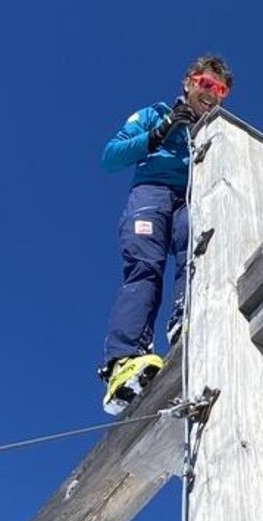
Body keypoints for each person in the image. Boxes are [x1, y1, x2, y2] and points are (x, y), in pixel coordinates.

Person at [97, 55, 233, 414]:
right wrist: (162, 131)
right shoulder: (155, 114)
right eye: (206, 84)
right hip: (152, 193)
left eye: (220, 90)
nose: (212, 94)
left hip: (192, 197)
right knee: (145, 266)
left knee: (200, 246)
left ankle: (186, 316)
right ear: (189, 82)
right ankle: (124, 359)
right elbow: (110, 157)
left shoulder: (217, 130)